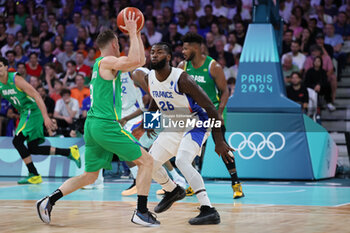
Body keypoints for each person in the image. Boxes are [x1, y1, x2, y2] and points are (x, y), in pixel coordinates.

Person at [36, 13, 160, 227]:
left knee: (90, 175)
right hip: (105, 124)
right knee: (147, 161)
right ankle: (141, 211)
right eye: (119, 44)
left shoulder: (98, 64)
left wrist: (136, 33)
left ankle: (48, 201)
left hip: (92, 125)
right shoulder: (107, 61)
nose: (121, 47)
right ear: (114, 43)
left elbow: (137, 60)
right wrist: (133, 31)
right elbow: (138, 60)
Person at [133, 42, 234, 225]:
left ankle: (208, 209)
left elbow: (211, 108)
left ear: (169, 57)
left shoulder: (182, 79)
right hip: (175, 123)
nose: (154, 55)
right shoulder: (150, 79)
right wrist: (149, 122)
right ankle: (172, 190)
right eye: (152, 52)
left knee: (181, 160)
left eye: (159, 52)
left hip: (196, 122)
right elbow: (156, 100)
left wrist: (218, 141)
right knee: (148, 164)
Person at [178, 32, 244, 199]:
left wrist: (219, 113)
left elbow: (225, 92)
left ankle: (236, 183)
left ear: (196, 48)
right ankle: (193, 183)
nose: (183, 51)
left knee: (221, 146)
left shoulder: (213, 67)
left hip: (213, 112)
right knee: (186, 147)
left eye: (186, 48)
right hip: (193, 114)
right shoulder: (182, 66)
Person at [0, 57, 81, 184]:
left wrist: (46, 117)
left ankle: (34, 174)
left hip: (32, 110)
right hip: (24, 113)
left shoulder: (16, 79)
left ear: (6, 67)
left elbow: (37, 95)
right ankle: (70, 151)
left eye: (0, 66)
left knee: (17, 141)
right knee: (33, 148)